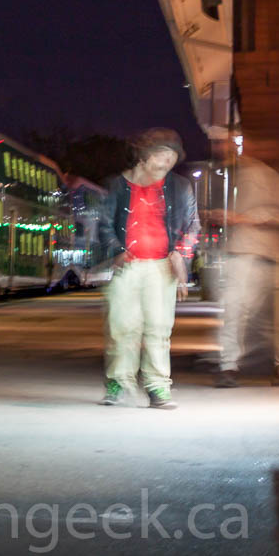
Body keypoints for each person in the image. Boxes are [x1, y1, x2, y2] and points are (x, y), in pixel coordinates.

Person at [97, 128, 200, 408]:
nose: (167, 161)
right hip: (127, 268)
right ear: (142, 156)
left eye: (172, 156)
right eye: (161, 154)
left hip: (162, 267)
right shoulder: (117, 185)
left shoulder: (180, 186)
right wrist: (116, 250)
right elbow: (104, 224)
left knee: (158, 327)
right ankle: (118, 380)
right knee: (122, 327)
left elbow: (193, 225)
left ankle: (158, 386)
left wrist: (181, 255)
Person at [208, 148, 279, 387]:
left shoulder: (262, 175)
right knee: (243, 311)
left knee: (243, 311)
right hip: (257, 254)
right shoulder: (248, 174)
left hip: (255, 254)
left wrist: (240, 218)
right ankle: (234, 365)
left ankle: (236, 365)